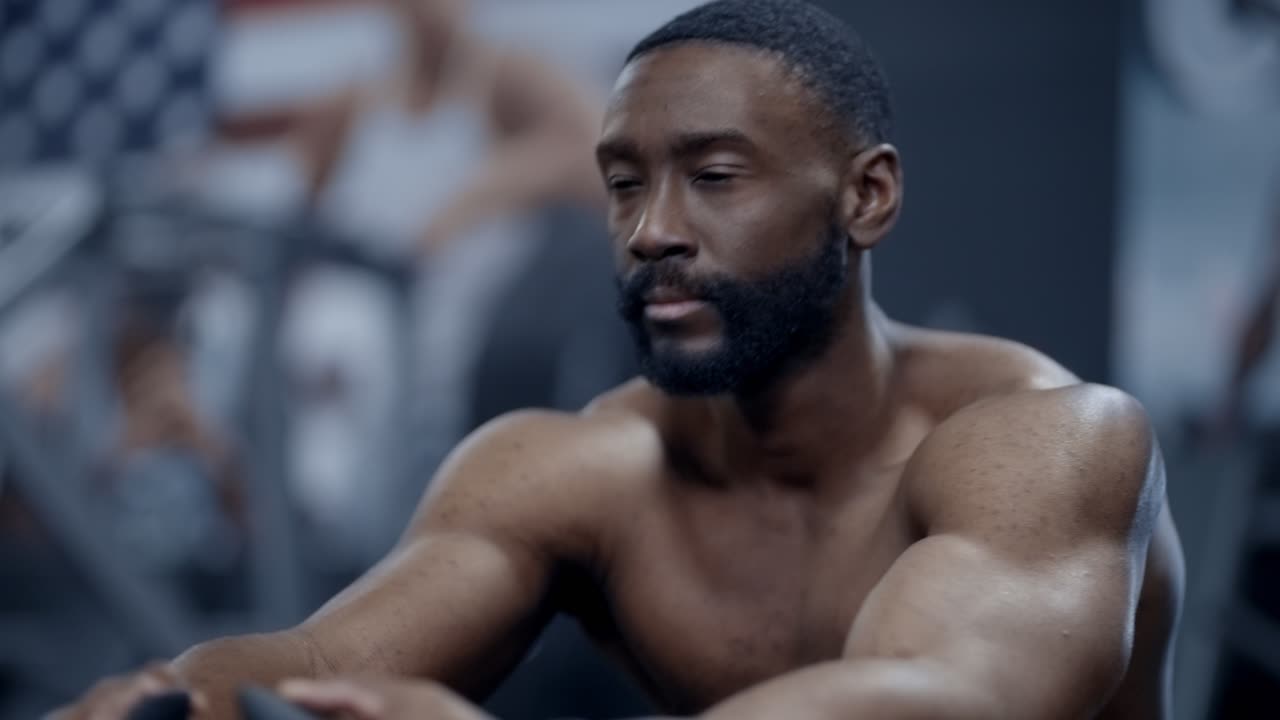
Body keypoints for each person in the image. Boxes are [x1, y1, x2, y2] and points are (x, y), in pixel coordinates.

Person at [52, 1, 1185, 719]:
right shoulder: (576, 466)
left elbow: (943, 697)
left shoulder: (1044, 441)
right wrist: (169, 694)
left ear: (866, 195)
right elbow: (311, 657)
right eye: (624, 184)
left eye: (715, 176)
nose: (652, 231)